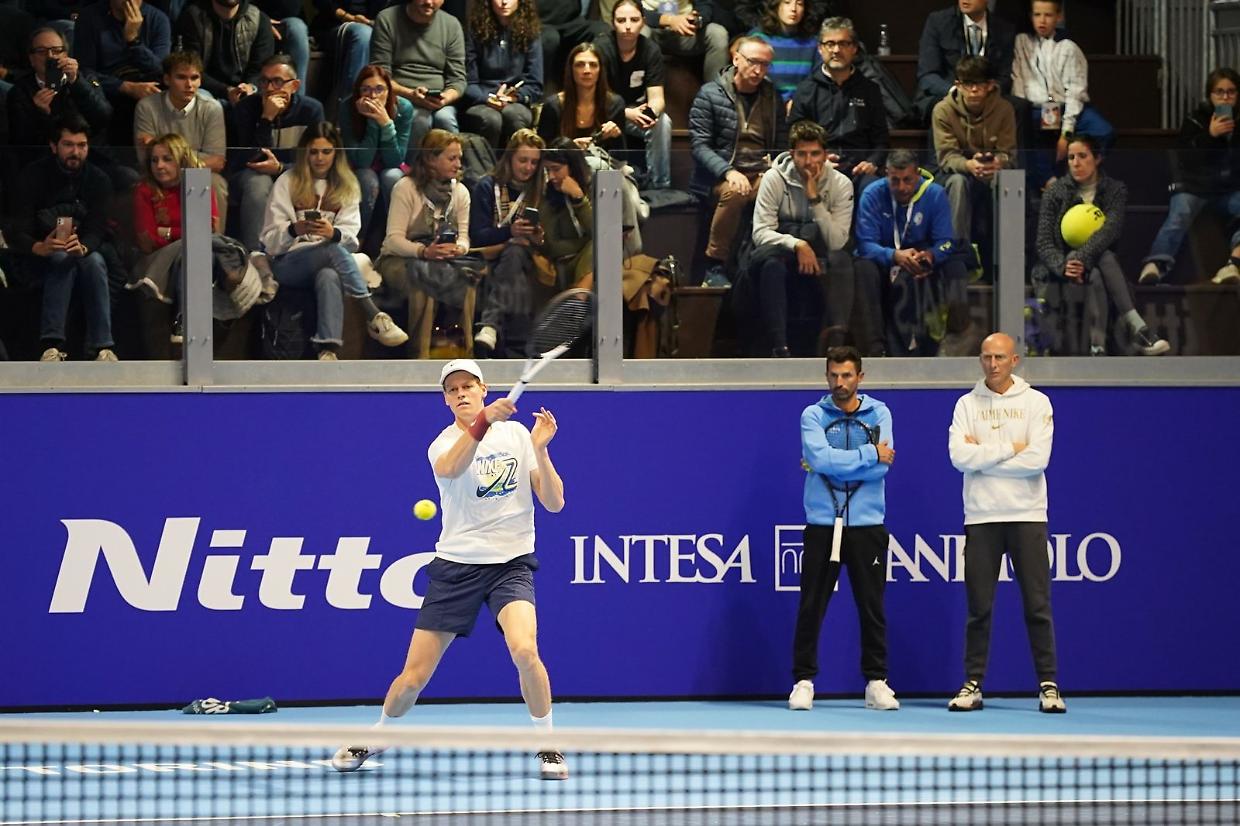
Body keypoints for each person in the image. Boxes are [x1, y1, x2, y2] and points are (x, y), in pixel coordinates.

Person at [331, 356, 568, 780]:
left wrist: (540, 448)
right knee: (412, 679)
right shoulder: (441, 444)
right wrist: (482, 424)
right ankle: (382, 733)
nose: (461, 393)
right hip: (457, 567)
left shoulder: (517, 434)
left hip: (511, 565)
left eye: (468, 386)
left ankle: (547, 744)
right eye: (453, 389)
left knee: (526, 651)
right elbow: (451, 468)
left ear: (483, 389)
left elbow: (554, 502)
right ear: (445, 400)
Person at [946, 331, 1065, 714]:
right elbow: (958, 457)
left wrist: (983, 455)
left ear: (1014, 360)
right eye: (986, 357)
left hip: (1027, 516)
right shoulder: (966, 404)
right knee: (978, 607)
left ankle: (1048, 686)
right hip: (981, 517)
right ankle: (973, 684)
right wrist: (1007, 449)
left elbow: (1037, 460)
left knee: (1036, 606)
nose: (992, 364)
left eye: (999, 358)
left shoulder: (1037, 403)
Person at [789, 345, 898, 712]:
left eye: (847, 375)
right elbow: (819, 458)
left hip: (868, 525)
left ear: (860, 377)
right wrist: (870, 454)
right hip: (822, 524)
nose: (840, 382)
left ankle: (876, 682)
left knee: (872, 606)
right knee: (811, 606)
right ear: (827, 377)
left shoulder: (880, 412)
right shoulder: (812, 415)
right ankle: (803, 681)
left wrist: (834, 465)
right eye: (834, 375)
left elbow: (881, 470)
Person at [259, 122, 410, 360]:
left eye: (326, 152)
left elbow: (350, 240)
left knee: (328, 275)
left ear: (336, 154)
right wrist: (294, 229)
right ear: (304, 153)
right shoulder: (287, 181)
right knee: (331, 251)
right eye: (314, 152)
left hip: (330, 260)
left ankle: (327, 349)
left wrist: (333, 233)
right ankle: (373, 314)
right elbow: (269, 240)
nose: (319, 158)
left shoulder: (347, 184)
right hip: (287, 262)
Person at [1032, 135, 1170, 356]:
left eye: (1082, 156)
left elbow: (1109, 232)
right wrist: (1064, 265)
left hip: (1096, 261)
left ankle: (1099, 348)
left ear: (1097, 158)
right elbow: (1044, 242)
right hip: (1057, 269)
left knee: (1098, 266)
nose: (1076, 163)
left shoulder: (1115, 190)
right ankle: (1136, 329)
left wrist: (1079, 259)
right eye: (1070, 158)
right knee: (1100, 265)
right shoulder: (1055, 192)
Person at [129, 133, 266, 347]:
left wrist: (167, 232)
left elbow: (211, 229)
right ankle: (220, 297)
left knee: (199, 250)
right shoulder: (144, 190)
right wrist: (188, 232)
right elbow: (148, 242)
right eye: (154, 160)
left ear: (181, 159)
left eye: (167, 159)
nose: (159, 166)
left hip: (195, 253)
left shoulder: (199, 184)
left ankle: (184, 321)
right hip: (158, 261)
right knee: (202, 247)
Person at [9, 116, 116, 363]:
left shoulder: (99, 179)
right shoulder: (32, 176)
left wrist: (84, 246)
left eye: (82, 145)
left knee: (95, 261)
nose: (76, 152)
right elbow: (16, 228)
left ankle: (103, 348)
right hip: (37, 255)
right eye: (68, 145)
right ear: (53, 146)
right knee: (60, 259)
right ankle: (52, 346)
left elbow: (99, 228)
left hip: (85, 251)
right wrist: (38, 246)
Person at [748, 120, 853, 356]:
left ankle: (837, 344)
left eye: (815, 154)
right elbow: (760, 232)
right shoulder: (774, 178)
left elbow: (836, 242)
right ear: (791, 154)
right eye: (802, 154)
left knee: (842, 260)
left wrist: (814, 198)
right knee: (771, 265)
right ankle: (779, 346)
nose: (809, 162)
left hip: (820, 251)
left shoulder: (841, 184)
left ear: (825, 155)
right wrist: (797, 244)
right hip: (781, 251)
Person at [689, 35, 788, 287]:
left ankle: (767, 261)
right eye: (753, 62)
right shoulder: (710, 94)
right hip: (720, 175)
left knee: (784, 188)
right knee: (736, 193)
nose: (759, 70)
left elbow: (781, 142)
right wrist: (728, 171)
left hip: (761, 171)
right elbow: (700, 146)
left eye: (765, 64)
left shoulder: (771, 96)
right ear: (736, 59)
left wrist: (777, 167)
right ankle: (715, 264)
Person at [854, 148, 969, 357]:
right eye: (895, 180)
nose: (902, 187)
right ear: (886, 173)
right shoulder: (872, 193)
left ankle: (954, 338)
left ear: (917, 174)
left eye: (908, 180)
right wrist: (894, 256)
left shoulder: (934, 193)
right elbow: (865, 244)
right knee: (863, 267)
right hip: (885, 258)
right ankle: (876, 348)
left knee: (955, 266)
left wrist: (931, 255)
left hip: (921, 257)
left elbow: (945, 242)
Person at [378, 128, 481, 355]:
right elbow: (393, 240)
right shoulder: (406, 188)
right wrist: (424, 252)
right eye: (451, 158)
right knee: (424, 279)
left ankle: (465, 350)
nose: (458, 164)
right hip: (399, 259)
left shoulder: (461, 192)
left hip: (442, 258)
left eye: (459, 159)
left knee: (468, 276)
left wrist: (459, 248)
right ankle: (419, 353)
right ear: (431, 160)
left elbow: (464, 236)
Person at [1139, 67, 1240, 287]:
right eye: (1219, 92)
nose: (1225, 97)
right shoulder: (1195, 120)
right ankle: (1156, 265)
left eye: (1231, 92)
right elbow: (1186, 160)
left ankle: (1235, 264)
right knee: (1180, 213)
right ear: (1210, 95)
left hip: (1228, 189)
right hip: (1195, 186)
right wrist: (1210, 136)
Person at [1011, 0, 1113, 191]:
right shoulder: (1022, 43)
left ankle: (1081, 174)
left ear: (1059, 17)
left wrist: (1066, 133)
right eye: (1037, 15)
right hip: (1035, 108)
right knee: (1028, 131)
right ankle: (1047, 182)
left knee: (1103, 130)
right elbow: (1018, 83)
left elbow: (1075, 91)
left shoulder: (1068, 47)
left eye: (1048, 15)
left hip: (1066, 106)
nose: (1042, 21)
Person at [229, 53, 325, 253]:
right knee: (258, 182)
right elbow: (251, 159)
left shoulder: (312, 110)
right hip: (249, 176)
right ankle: (256, 256)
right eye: (264, 81)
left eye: (278, 81)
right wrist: (266, 119)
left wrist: (281, 168)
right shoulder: (247, 107)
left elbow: (317, 161)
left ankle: (307, 251)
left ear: (295, 85)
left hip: (294, 174)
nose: (270, 88)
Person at [788, 16, 887, 197]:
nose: (836, 50)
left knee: (875, 190)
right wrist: (817, 160)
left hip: (860, 170)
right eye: (830, 44)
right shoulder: (806, 89)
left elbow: (881, 138)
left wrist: (872, 162)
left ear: (854, 48)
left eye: (843, 44)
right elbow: (795, 139)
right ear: (820, 49)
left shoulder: (870, 90)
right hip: (818, 167)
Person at [469, 129, 546, 357]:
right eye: (523, 160)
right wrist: (509, 232)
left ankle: (490, 325)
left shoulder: (541, 190)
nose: (528, 168)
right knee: (514, 269)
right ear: (509, 158)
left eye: (534, 162)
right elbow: (479, 235)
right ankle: (520, 350)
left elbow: (551, 239)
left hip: (529, 255)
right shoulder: (486, 186)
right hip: (494, 254)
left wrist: (537, 235)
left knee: (515, 252)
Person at [134, 51, 229, 229]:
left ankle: (215, 248)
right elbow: (146, 159)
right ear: (167, 79)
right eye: (181, 77)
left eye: (194, 78)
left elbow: (217, 162)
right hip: (159, 175)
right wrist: (192, 158)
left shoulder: (212, 108)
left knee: (213, 182)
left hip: (197, 175)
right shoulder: (147, 107)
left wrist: (167, 151)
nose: (189, 84)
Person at [931, 56, 1016, 247]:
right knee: (958, 183)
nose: (974, 90)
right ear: (958, 85)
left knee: (1008, 180)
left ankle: (1007, 255)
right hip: (956, 172)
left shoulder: (1004, 109)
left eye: (979, 84)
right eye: (968, 84)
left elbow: (1009, 153)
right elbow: (946, 157)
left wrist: (997, 162)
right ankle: (958, 253)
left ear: (990, 85)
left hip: (992, 170)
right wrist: (969, 164)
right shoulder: (942, 110)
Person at [370, 0, 466, 157]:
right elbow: (380, 77)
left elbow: (458, 80)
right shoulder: (387, 19)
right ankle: (410, 172)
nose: (429, 2)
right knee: (419, 120)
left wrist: (444, 98)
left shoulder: (452, 24)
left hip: (438, 99)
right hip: (401, 96)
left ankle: (451, 172)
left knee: (446, 119)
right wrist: (410, 94)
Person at [7, 27, 112, 170]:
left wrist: (76, 82)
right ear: (31, 59)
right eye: (42, 52)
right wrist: (40, 113)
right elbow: (22, 143)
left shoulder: (86, 78)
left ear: (66, 54)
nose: (51, 57)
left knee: (127, 177)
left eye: (57, 50)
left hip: (91, 158)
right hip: (45, 162)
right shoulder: (20, 91)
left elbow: (103, 116)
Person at [594, 0, 672, 190]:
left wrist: (650, 113)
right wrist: (627, 113)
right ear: (612, 23)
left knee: (663, 121)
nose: (628, 26)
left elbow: (657, 97)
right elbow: (593, 95)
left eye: (634, 20)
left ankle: (660, 186)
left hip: (636, 112)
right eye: (621, 20)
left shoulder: (650, 49)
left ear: (643, 22)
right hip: (603, 112)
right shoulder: (601, 47)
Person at [73, 0, 172, 148]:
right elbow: (86, 72)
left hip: (150, 85)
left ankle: (177, 164)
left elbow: (160, 70)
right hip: (107, 88)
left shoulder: (158, 19)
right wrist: (125, 87)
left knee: (186, 98)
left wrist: (133, 41)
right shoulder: (89, 18)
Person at [339, 64, 415, 240]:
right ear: (358, 92)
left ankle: (396, 239)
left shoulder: (403, 108)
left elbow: (395, 160)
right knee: (366, 178)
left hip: (391, 164)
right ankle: (356, 241)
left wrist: (386, 124)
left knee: (392, 176)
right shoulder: (347, 107)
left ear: (389, 90)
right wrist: (373, 122)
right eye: (366, 90)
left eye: (379, 89)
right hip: (359, 165)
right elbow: (361, 161)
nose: (373, 96)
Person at [915, 0, 1016, 123]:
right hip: (949, 93)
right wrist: (957, 92)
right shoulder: (938, 22)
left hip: (988, 95)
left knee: (1019, 107)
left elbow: (1005, 76)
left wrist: (985, 93)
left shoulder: (1004, 29)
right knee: (942, 108)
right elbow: (927, 75)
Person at [460, 0, 542, 150]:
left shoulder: (530, 32)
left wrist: (515, 96)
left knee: (515, 115)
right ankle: (485, 170)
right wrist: (487, 98)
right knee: (491, 119)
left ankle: (519, 169)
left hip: (514, 100)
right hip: (481, 100)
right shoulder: (475, 31)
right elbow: (467, 82)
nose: (504, 2)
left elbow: (535, 83)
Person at [174, 0, 277, 105]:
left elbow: (261, 68)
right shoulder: (193, 18)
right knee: (201, 100)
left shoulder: (258, 19)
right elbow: (190, 68)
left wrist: (249, 86)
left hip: (245, 91)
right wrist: (226, 90)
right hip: (206, 89)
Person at [537, 42, 625, 156]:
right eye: (580, 65)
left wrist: (616, 136)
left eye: (593, 65)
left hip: (603, 168)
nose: (587, 71)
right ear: (571, 70)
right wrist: (569, 148)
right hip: (564, 168)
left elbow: (622, 158)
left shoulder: (615, 104)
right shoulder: (553, 105)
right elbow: (541, 152)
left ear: (600, 70)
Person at [636, 0, 729, 84]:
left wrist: (698, 19)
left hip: (685, 28)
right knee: (638, 31)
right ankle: (638, 96)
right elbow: (630, 6)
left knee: (718, 34)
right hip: (649, 25)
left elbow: (704, 4)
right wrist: (669, 20)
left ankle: (714, 94)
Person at [746, 0, 820, 104]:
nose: (793, 9)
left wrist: (797, 104)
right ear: (776, 6)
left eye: (799, 4)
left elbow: (817, 82)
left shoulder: (813, 43)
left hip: (802, 108)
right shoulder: (758, 38)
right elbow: (748, 79)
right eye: (787, 2)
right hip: (764, 106)